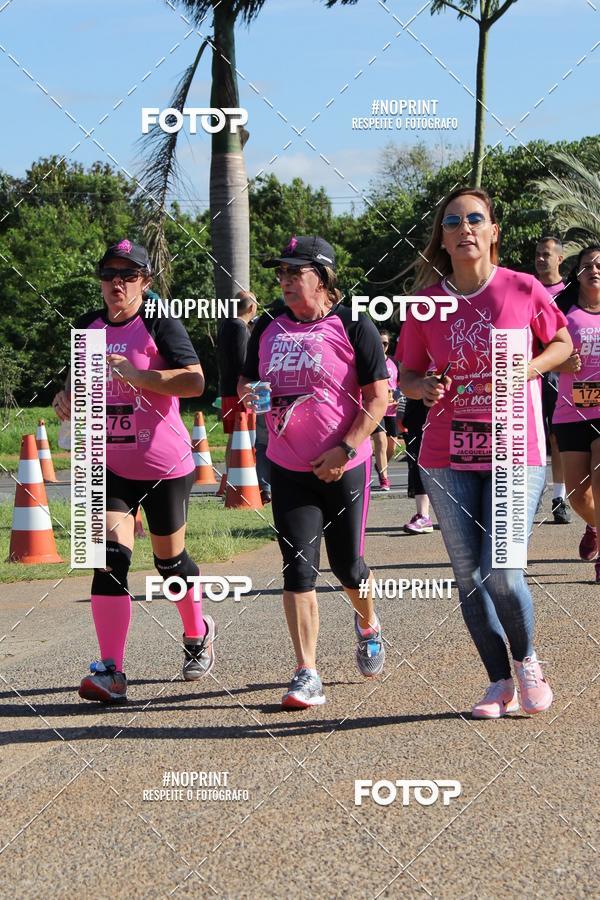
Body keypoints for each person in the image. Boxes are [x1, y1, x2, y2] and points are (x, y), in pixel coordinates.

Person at [399, 188, 572, 719]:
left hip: (515, 448)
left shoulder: (521, 287)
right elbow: (405, 373)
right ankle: (497, 682)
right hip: (445, 451)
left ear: (494, 231)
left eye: (476, 219)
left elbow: (564, 346)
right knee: (469, 574)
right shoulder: (427, 302)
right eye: (453, 221)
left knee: (503, 570)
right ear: (444, 238)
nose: (465, 227)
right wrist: (421, 387)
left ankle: (528, 664)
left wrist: (528, 368)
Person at [52, 239, 214, 703]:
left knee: (170, 565)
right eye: (108, 275)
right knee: (108, 560)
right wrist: (64, 399)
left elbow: (195, 380)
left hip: (164, 464)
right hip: (107, 465)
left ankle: (197, 631)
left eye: (127, 275)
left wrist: (140, 377)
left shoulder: (160, 324)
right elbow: (75, 385)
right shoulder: (86, 326)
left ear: (145, 281)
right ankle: (112, 672)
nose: (116, 283)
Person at [239, 235, 389, 709]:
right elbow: (246, 379)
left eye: (293, 272)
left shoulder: (352, 325)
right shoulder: (266, 326)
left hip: (345, 467)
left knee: (349, 566)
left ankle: (367, 623)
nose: (283, 281)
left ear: (321, 279)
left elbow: (378, 397)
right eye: (279, 273)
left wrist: (344, 449)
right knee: (298, 569)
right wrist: (248, 393)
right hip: (288, 469)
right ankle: (307, 672)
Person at [552, 245, 600, 580]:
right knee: (577, 493)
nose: (594, 270)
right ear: (577, 273)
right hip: (571, 411)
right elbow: (541, 350)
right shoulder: (562, 311)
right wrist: (561, 361)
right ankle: (594, 525)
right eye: (587, 265)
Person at [535, 236, 570, 524]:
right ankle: (530, 494)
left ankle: (560, 497)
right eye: (538, 254)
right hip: (530, 370)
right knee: (530, 434)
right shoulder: (527, 289)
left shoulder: (570, 293)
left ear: (560, 258)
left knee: (557, 437)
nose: (540, 259)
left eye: (546, 254)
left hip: (561, 372)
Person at [217, 289, 257, 441]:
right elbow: (242, 361)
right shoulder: (239, 327)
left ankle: (231, 466)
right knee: (245, 438)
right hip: (240, 391)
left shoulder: (226, 324)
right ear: (251, 308)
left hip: (228, 388)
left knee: (235, 438)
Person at [372, 330, 399, 490]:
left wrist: (398, 395)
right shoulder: (369, 360)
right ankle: (384, 479)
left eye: (385, 343)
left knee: (392, 446)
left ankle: (381, 466)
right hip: (376, 408)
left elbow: (400, 384)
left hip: (392, 409)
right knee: (380, 442)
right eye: (379, 342)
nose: (382, 346)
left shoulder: (395, 362)